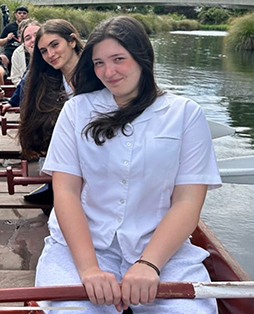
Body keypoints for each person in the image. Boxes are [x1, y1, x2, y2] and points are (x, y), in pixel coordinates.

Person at [35, 16, 222, 313]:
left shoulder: (185, 114)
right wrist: (89, 269)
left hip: (162, 249)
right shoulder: (76, 111)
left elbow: (187, 200)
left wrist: (149, 263)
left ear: (142, 57)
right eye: (99, 63)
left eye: (118, 59)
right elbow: (66, 191)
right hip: (82, 246)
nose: (108, 72)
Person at [18, 19, 83, 204]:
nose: (50, 54)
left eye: (55, 45)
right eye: (44, 51)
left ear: (72, 41)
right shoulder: (45, 82)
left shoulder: (98, 74)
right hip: (62, 158)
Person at [9, 19, 40, 86]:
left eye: (36, 35)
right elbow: (15, 78)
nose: (33, 40)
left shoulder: (50, 53)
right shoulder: (17, 53)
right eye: (28, 38)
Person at [0, 5, 29, 71]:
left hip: (25, 51)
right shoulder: (9, 27)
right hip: (10, 50)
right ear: (16, 15)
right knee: (2, 58)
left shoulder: (30, 27)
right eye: (19, 13)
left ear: (27, 15)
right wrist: (7, 38)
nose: (22, 15)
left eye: (24, 13)